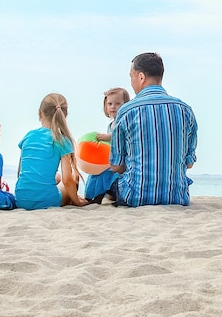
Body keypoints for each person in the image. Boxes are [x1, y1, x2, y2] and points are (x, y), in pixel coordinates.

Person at [110, 52, 198, 207]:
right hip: (177, 197)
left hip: (135, 196)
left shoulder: (126, 111)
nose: (131, 82)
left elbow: (117, 165)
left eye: (132, 77)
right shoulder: (185, 110)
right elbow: (189, 163)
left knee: (109, 184)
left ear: (141, 77)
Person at [15, 93, 89, 210]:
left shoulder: (28, 136)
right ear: (64, 116)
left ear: (40, 113)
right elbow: (67, 179)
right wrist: (77, 201)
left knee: (57, 176)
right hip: (47, 202)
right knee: (74, 177)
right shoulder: (62, 140)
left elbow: (20, 172)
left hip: (21, 200)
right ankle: (72, 198)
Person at [84, 87, 130, 203]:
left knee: (103, 175)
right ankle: (91, 197)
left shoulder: (123, 121)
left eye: (117, 103)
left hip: (121, 164)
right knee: (95, 172)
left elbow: (121, 136)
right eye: (110, 104)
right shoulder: (111, 124)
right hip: (111, 161)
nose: (113, 107)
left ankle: (97, 198)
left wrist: (108, 136)